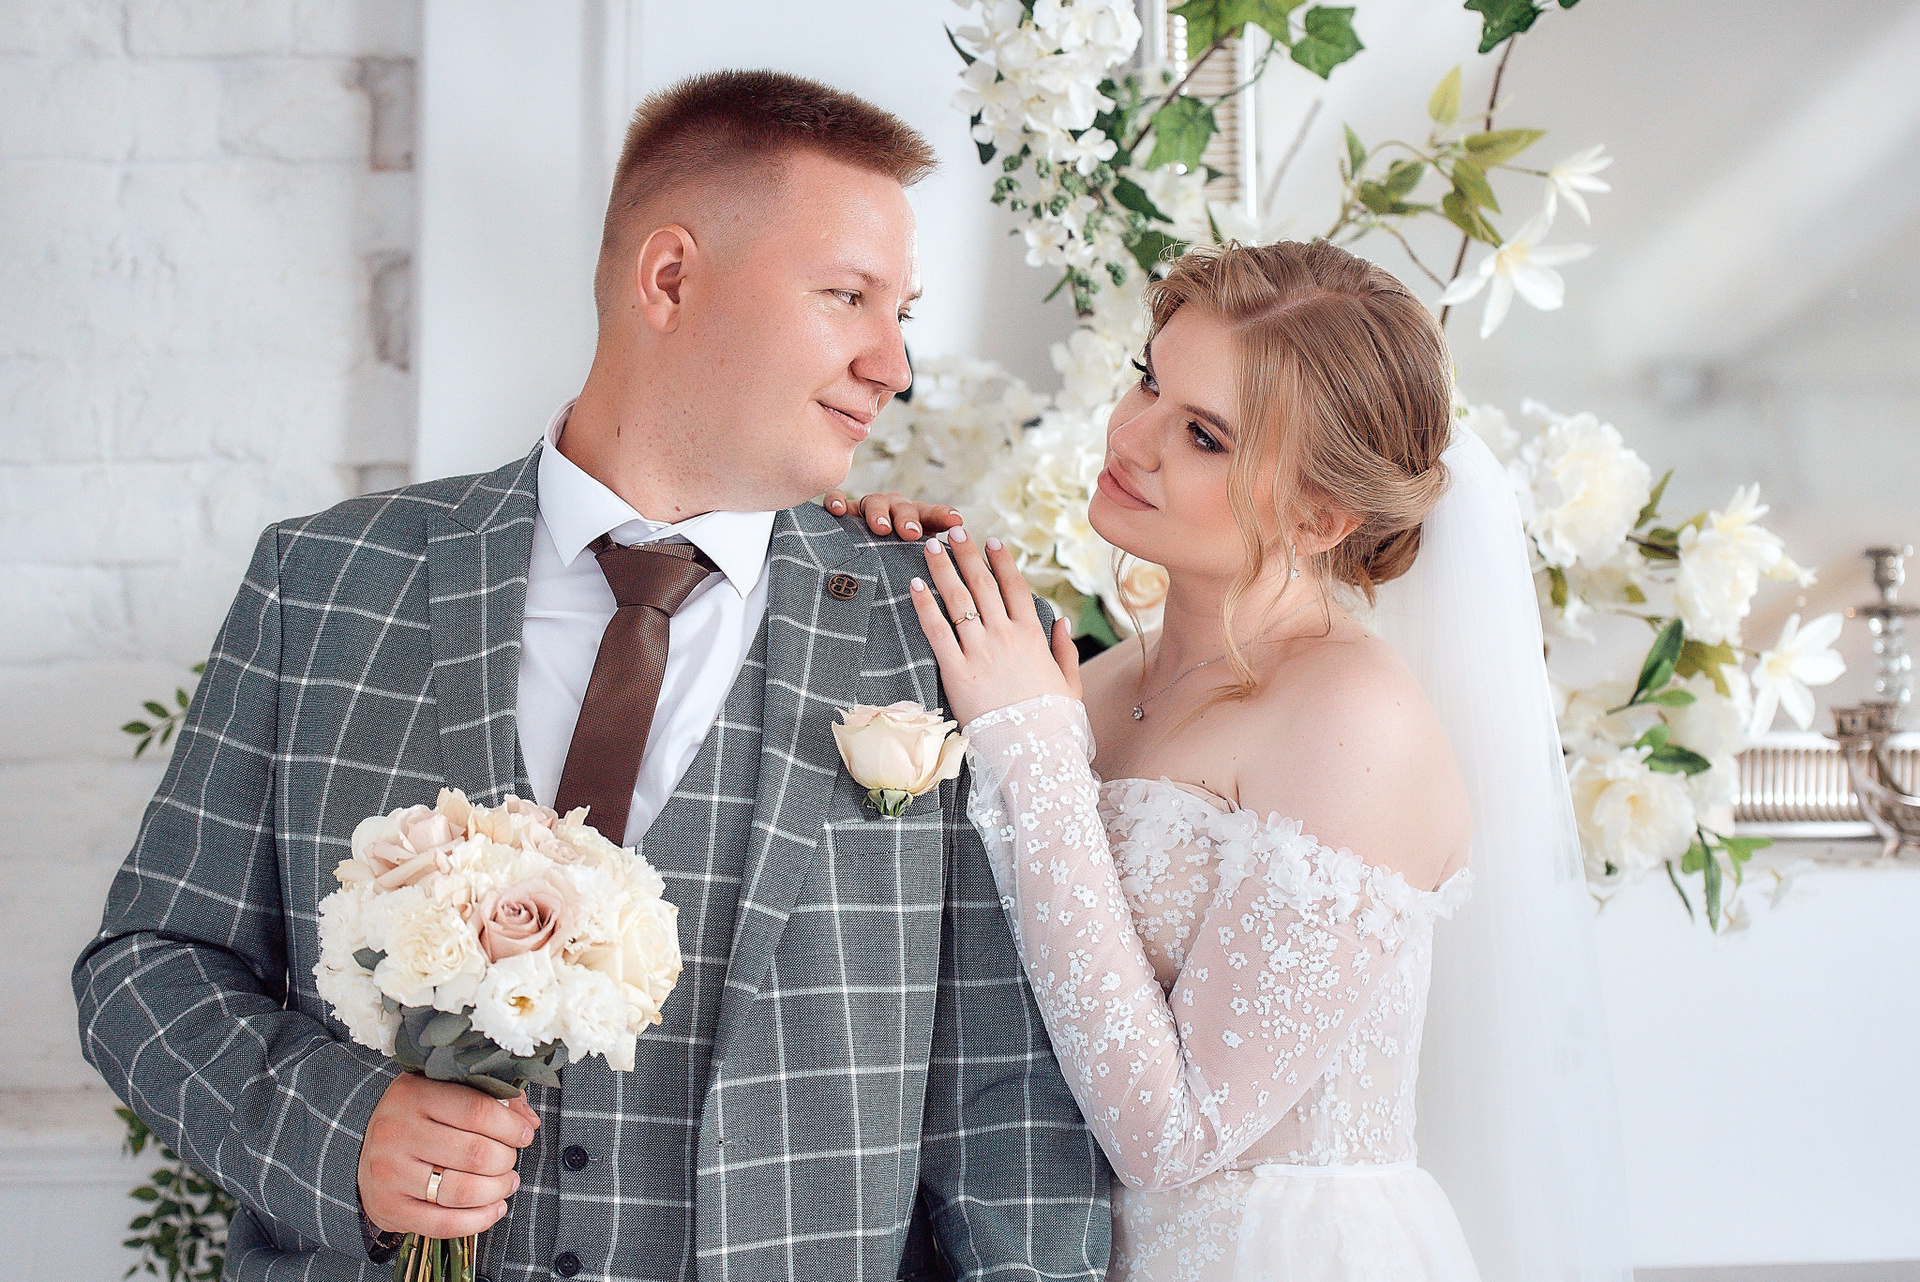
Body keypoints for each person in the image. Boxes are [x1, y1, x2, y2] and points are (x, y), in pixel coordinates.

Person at [72, 70, 1108, 1282]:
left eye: (904, 312)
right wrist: (339, 1133)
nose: (894, 363)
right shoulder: (328, 584)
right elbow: (151, 961)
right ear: (668, 278)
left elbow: (1011, 1108)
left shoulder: (954, 634)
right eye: (847, 296)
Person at [831, 238, 1631, 1280]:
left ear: (1319, 515)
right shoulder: (1087, 682)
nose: (1132, 437)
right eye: (1148, 381)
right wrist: (883, 567)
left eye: (1204, 435)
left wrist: (1030, 748)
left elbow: (1173, 1136)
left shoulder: (1356, 721)